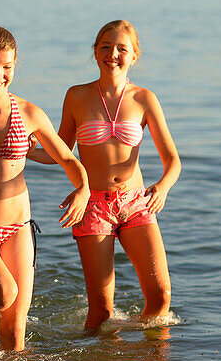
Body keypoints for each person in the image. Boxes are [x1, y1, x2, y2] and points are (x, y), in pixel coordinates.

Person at [31, 20, 180, 331]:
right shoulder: (77, 96)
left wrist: (164, 187)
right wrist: (23, 148)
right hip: (94, 206)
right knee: (101, 312)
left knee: (161, 296)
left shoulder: (144, 99)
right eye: (105, 47)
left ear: (134, 56)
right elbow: (61, 151)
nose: (113, 54)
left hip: (136, 203)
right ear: (95, 52)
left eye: (121, 48)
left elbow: (172, 159)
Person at [0, 26, 89, 352]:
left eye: (7, 67)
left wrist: (82, 189)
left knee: (14, 332)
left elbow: (67, 158)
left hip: (18, 225)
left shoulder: (30, 113)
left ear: (15, 65)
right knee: (3, 294)